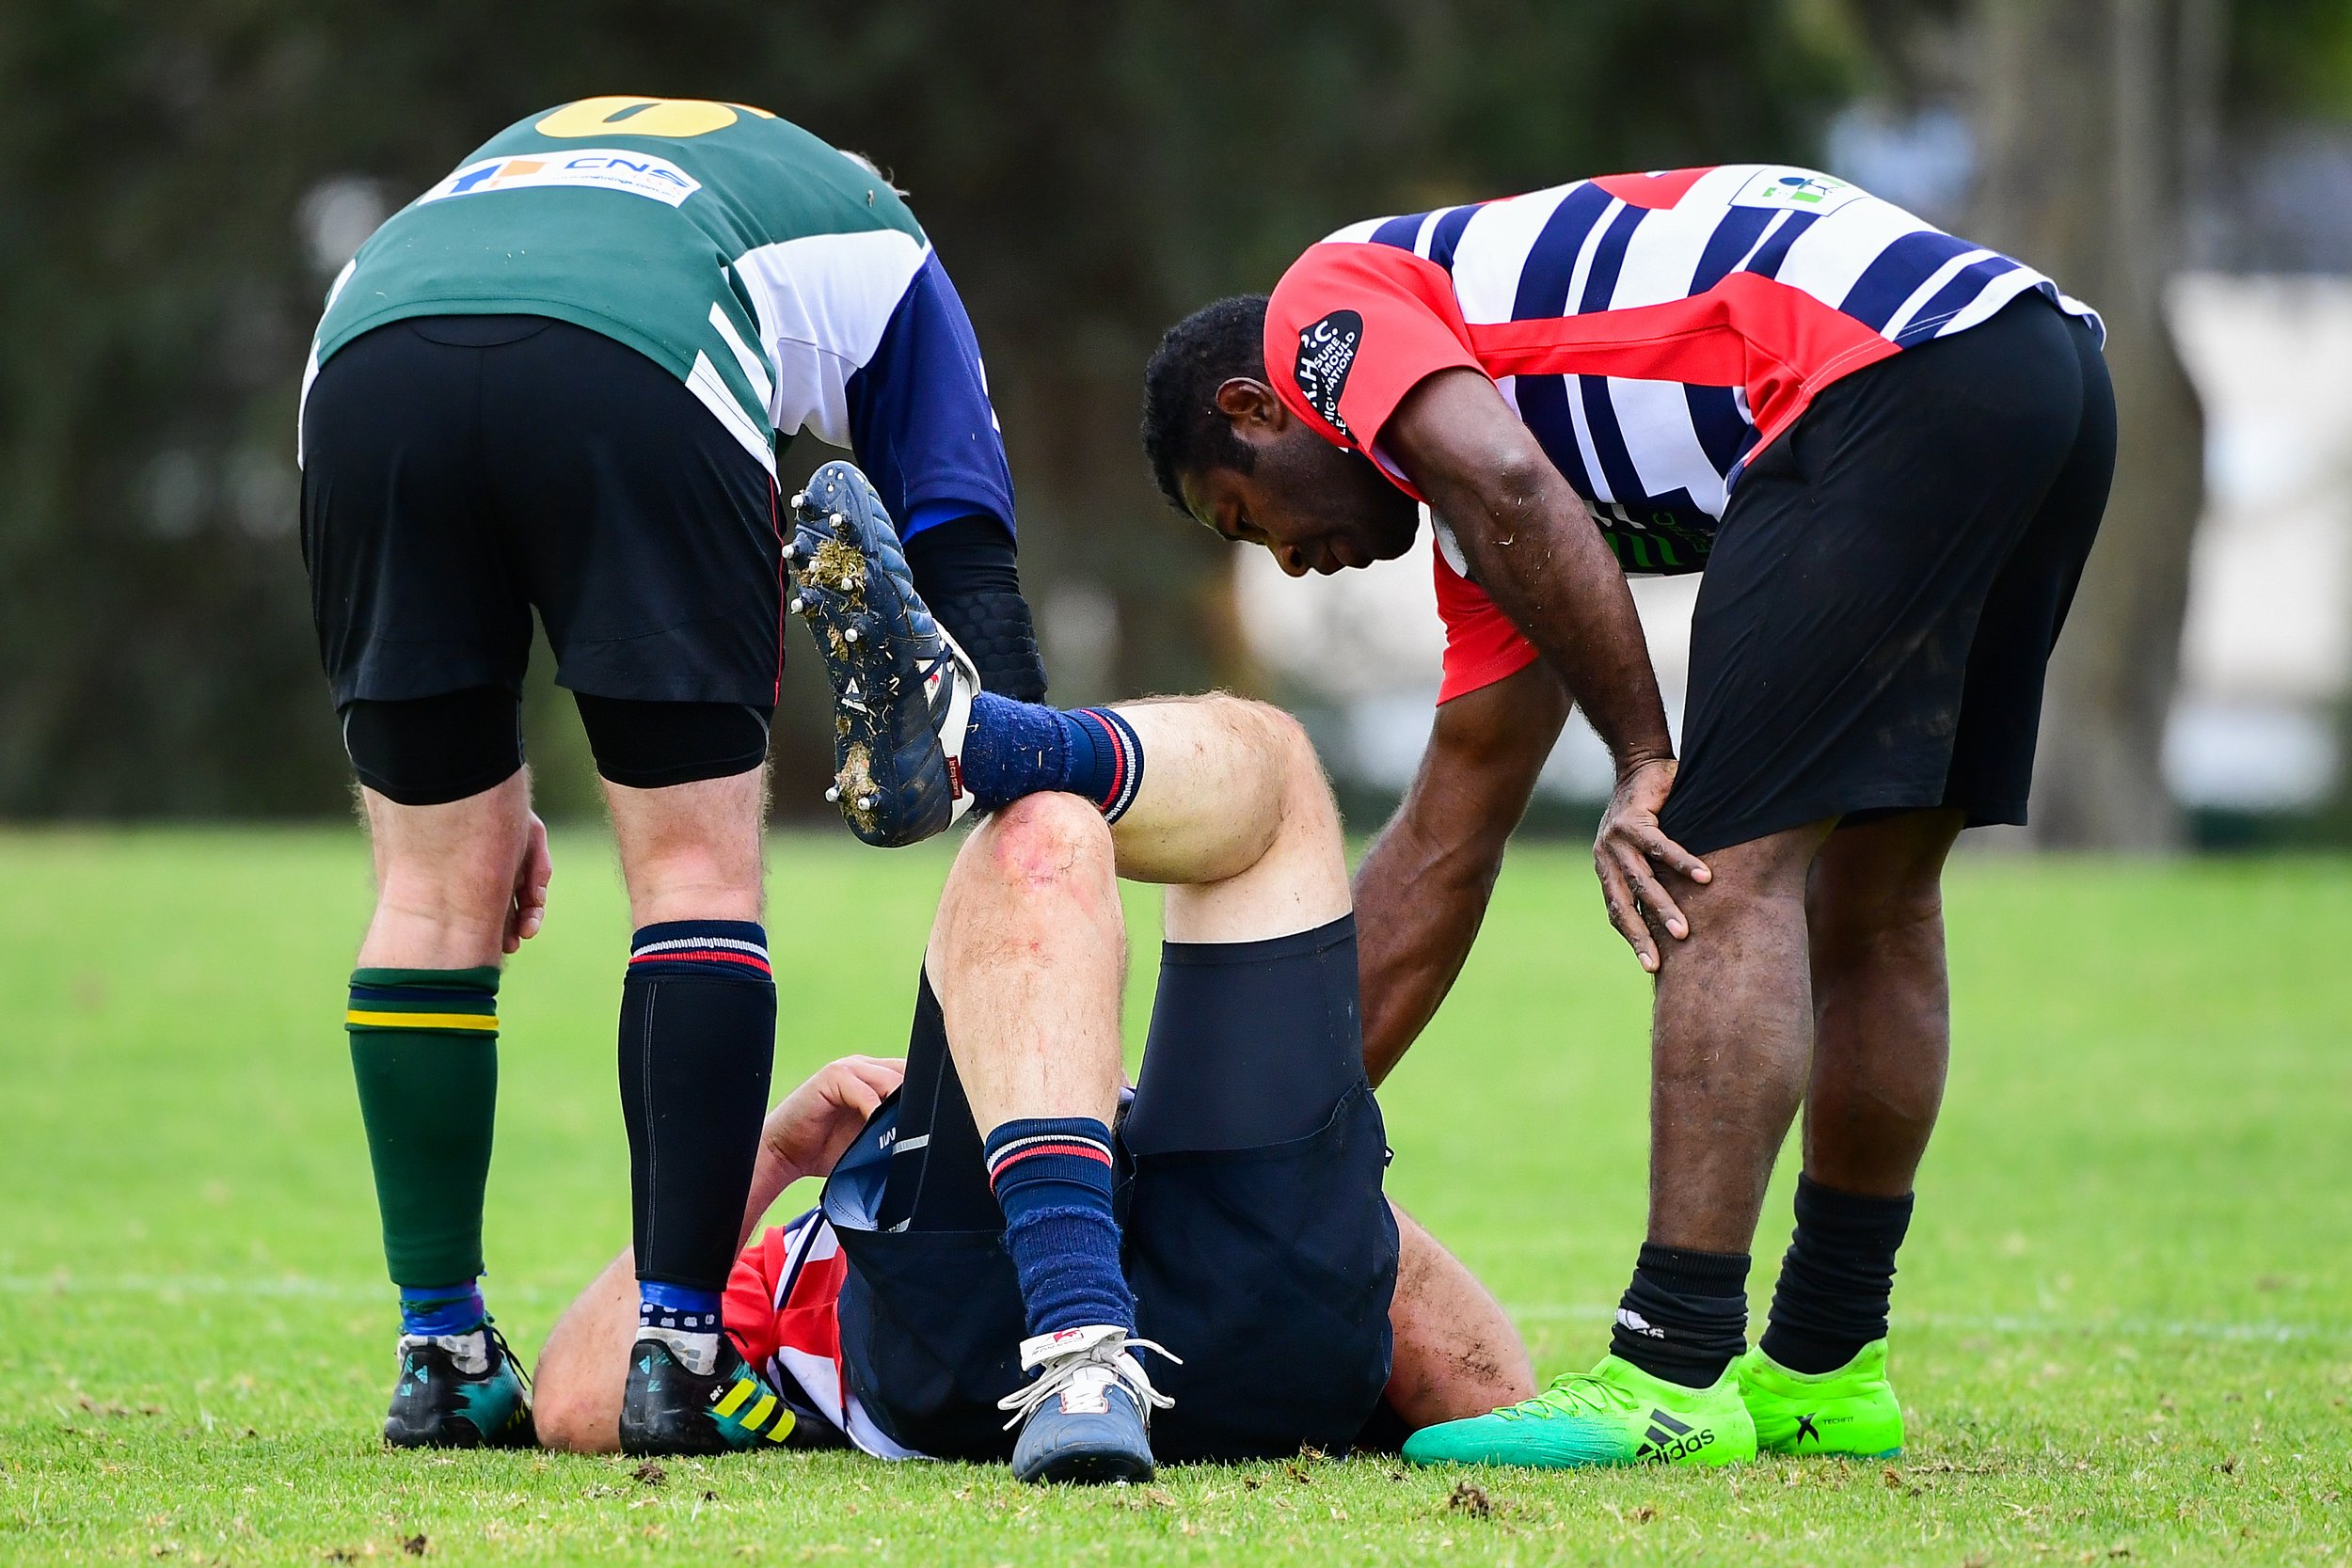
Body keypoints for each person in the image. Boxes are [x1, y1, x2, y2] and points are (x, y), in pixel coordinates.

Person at [1136, 166, 2115, 1467]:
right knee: (1872, 894)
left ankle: (1673, 1368)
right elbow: (1446, 838)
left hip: (1883, 371)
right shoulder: (1488, 510)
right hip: (2038, 372)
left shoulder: (1338, 299)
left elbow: (1520, 492)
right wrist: (1251, 1129)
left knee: (1712, 863)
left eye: (1247, 516)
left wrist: (1646, 756)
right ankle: (1827, 1365)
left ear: (1258, 407)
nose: (1290, 559)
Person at [299, 96, 1048, 1454]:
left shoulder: (545, 156)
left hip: (363, 350)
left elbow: (485, 361)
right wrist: (1036, 806)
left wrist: (498, 802)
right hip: (637, 358)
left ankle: (440, 1348)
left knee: (427, 887)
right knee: (694, 871)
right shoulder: (888, 241)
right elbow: (969, 558)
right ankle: (679, 1348)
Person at [531, 681, 1534, 1477]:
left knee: (1254, 764)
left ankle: (992, 744)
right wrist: (778, 1154)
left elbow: (1489, 1393)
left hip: (1163, 1337)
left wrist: (1147, 1128)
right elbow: (581, 1398)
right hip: (1009, 1353)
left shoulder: (824, 1233)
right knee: (1062, 822)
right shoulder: (800, 1250)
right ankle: (1076, 1331)